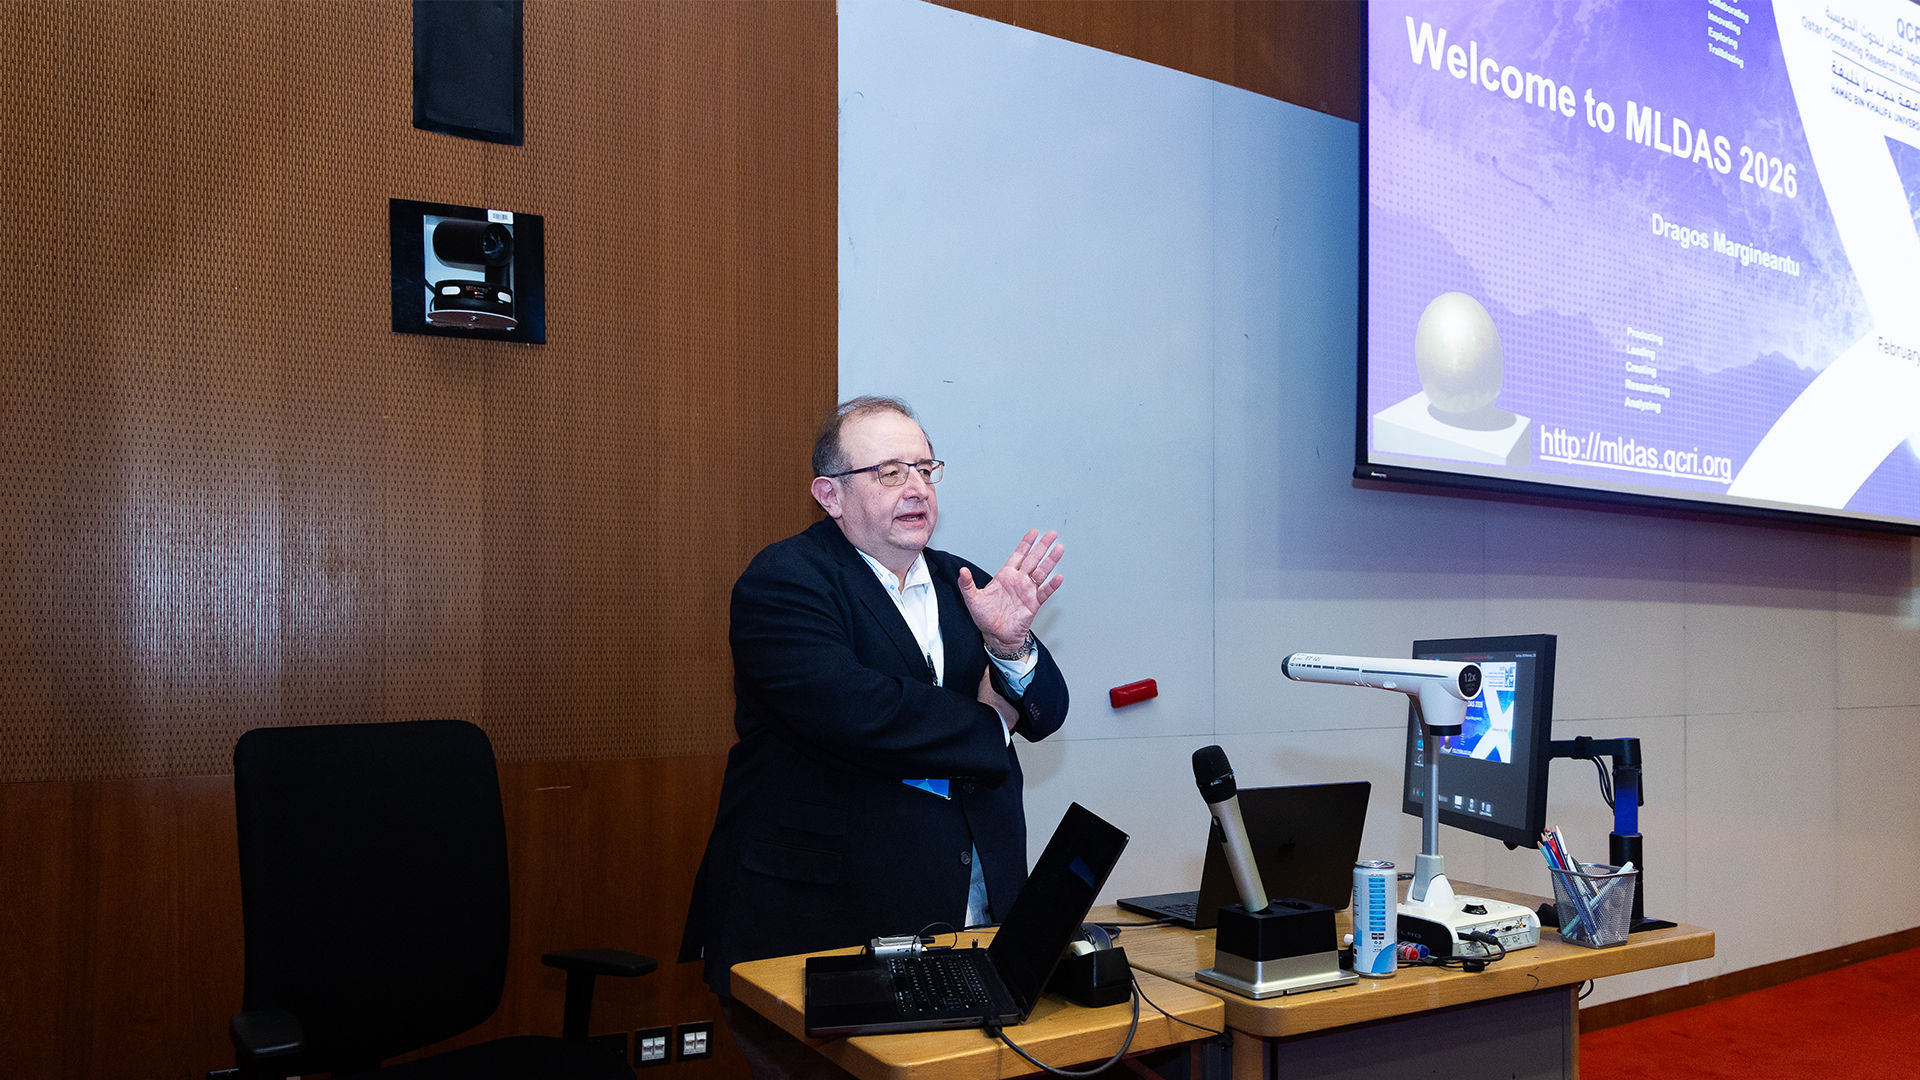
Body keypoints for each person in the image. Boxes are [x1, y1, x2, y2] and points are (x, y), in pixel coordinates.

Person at [678, 396, 1068, 1075]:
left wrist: (1010, 648)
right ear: (830, 494)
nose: (916, 487)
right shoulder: (785, 580)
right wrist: (992, 723)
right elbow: (861, 715)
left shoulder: (961, 580)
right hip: (822, 924)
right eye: (889, 472)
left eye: (924, 468)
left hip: (973, 913)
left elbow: (1048, 709)